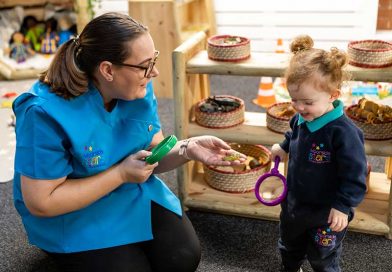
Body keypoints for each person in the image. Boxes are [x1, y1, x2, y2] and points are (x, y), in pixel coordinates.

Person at [12, 12, 246, 272]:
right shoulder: (42, 112)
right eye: (146, 64)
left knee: (182, 258)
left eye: (153, 60)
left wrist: (186, 148)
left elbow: (151, 152)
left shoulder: (136, 84)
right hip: (68, 211)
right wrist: (121, 174)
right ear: (108, 70)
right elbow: (42, 202)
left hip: (126, 191)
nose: (154, 72)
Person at [270, 35, 367, 272]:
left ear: (333, 95)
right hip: (295, 204)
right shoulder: (301, 117)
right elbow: (293, 132)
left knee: (322, 256)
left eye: (307, 102)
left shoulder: (344, 133)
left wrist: (343, 206)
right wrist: (283, 148)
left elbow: (355, 175)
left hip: (327, 213)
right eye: (294, 100)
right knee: (290, 246)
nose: (300, 108)